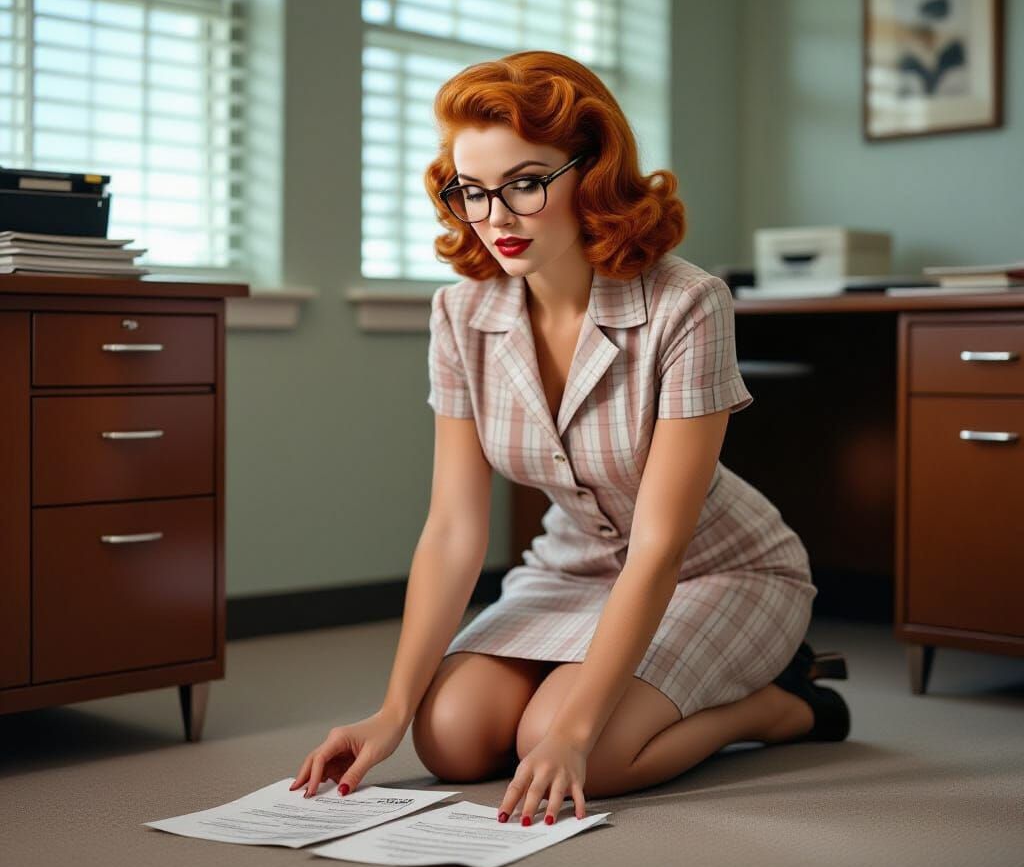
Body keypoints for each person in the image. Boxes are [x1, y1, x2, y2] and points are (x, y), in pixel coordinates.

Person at [290, 50, 850, 828]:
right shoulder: (461, 315)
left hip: (718, 571)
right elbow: (453, 530)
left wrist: (578, 732)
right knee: (448, 739)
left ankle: (777, 705)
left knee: (580, 749)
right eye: (473, 192)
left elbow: (659, 545)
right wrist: (389, 710)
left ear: (590, 172)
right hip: (572, 567)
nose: (495, 219)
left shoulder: (689, 303)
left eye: (524, 183)